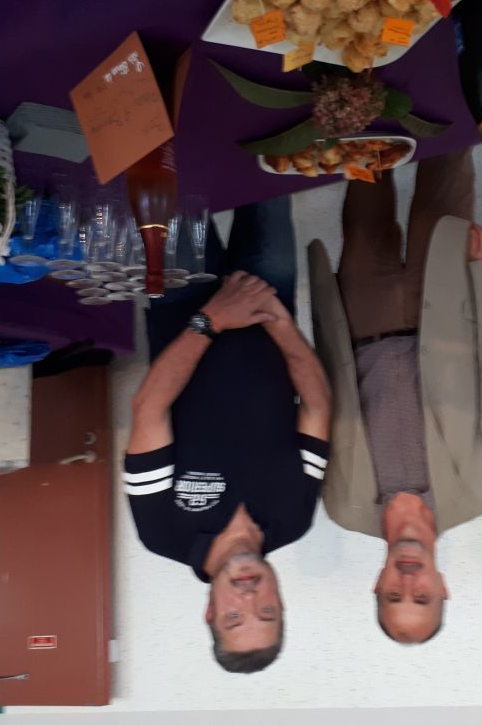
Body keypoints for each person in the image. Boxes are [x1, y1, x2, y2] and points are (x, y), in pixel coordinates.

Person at [307, 148, 482, 644]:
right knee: (447, 165)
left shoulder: (342, 506)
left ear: (376, 586)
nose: (407, 583)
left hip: (360, 315)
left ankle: (368, 105)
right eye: (421, 597)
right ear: (443, 588)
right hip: (443, 307)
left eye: (393, 596)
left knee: (365, 169)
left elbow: (319, 408)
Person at [124, 196, 331, 673]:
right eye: (267, 611)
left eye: (235, 617)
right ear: (281, 602)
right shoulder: (294, 520)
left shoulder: (163, 534)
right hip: (267, 299)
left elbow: (149, 409)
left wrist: (211, 320)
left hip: (183, 303)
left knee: (175, 180)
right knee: (268, 178)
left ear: (210, 612)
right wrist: (280, 321)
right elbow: (318, 406)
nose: (250, 596)